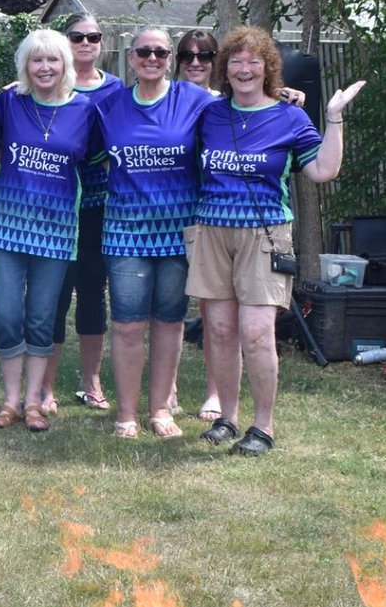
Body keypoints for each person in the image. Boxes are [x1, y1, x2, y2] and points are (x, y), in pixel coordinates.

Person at [187, 27, 365, 455]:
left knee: (257, 334)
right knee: (221, 329)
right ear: (225, 69)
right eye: (236, 61)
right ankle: (228, 419)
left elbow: (322, 170)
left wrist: (335, 116)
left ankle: (262, 427)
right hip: (211, 231)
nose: (244, 69)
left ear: (268, 69)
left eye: (254, 62)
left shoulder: (289, 117)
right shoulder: (210, 114)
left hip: (264, 233)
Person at [93, 27, 212, 439]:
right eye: (144, 51)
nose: (152, 58)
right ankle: (126, 413)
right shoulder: (110, 106)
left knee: (170, 321)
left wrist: (283, 94)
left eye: (161, 52)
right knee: (127, 324)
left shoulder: (195, 100)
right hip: (125, 231)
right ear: (131, 58)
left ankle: (160, 409)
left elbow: (243, 112)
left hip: (179, 233)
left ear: (170, 59)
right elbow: (70, 123)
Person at [0, 29, 96, 431]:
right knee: (7, 314)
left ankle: (33, 402)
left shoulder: (85, 111)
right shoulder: (9, 103)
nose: (45, 67)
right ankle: (10, 401)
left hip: (57, 231)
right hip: (7, 230)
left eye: (52, 60)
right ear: (25, 66)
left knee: (42, 318)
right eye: (36, 60)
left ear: (66, 64)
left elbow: (97, 158)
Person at [40, 14, 123, 414]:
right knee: (53, 295)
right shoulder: (51, 83)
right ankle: (46, 387)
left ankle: (91, 382)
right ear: (64, 42)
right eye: (77, 36)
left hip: (99, 206)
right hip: (55, 207)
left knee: (92, 294)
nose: (86, 42)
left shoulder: (118, 90)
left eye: (94, 36)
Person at [175, 29, 223, 420]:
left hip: (212, 216)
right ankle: (167, 387)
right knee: (171, 306)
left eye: (204, 56)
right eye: (188, 56)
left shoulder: (224, 105)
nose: (196, 63)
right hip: (172, 215)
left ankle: (215, 392)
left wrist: (285, 94)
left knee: (213, 309)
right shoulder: (166, 99)